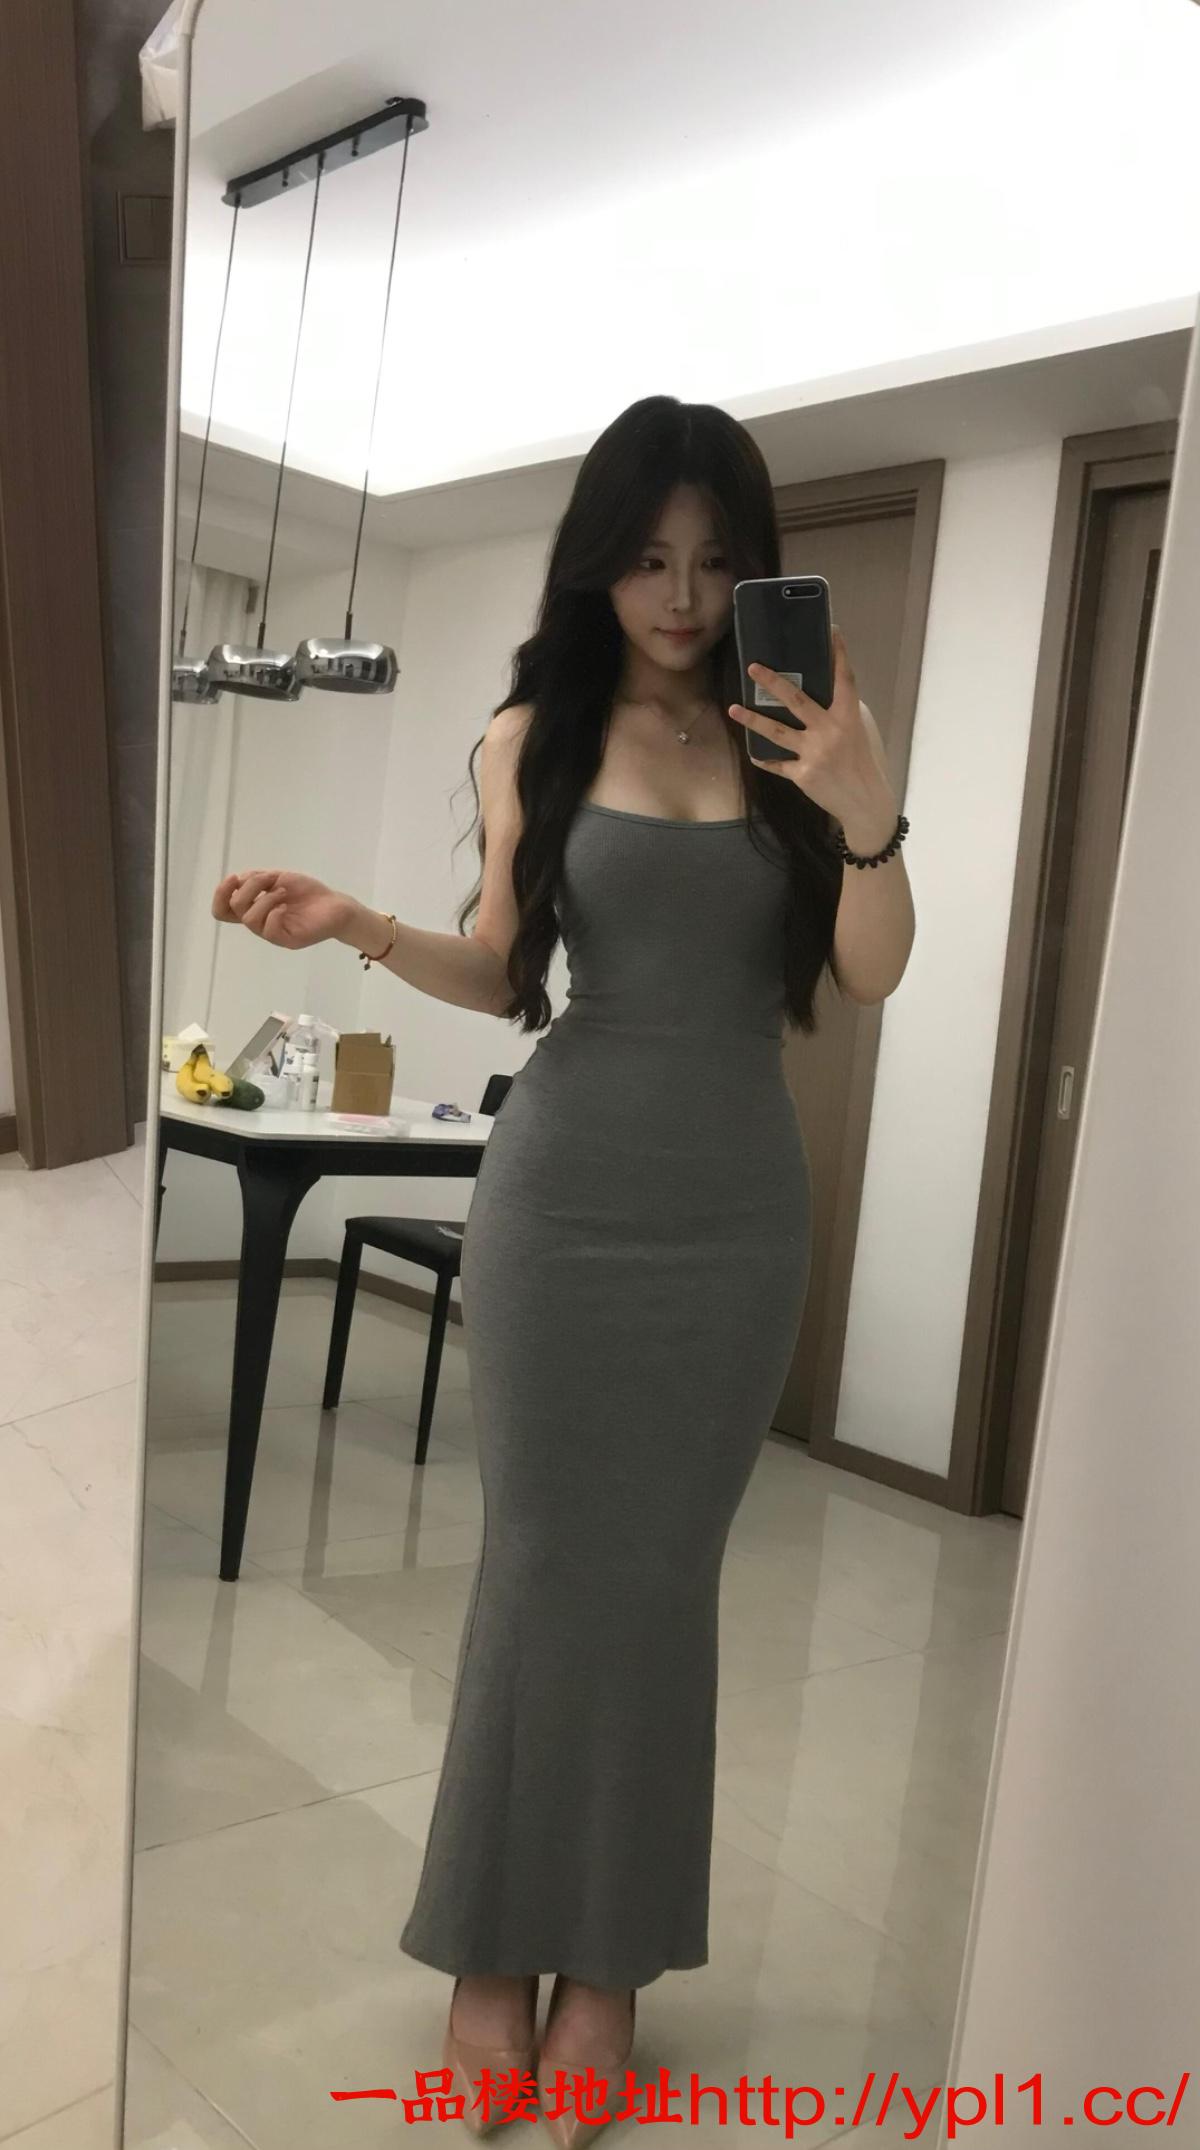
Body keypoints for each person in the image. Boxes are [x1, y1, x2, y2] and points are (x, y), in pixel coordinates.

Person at [213, 394, 914, 2143]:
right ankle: (490, 1945)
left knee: (661, 1587)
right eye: (646, 560)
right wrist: (361, 926)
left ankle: (607, 1963)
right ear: (599, 564)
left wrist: (868, 809)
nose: (679, 597)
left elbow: (873, 969)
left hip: (734, 1212)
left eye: (713, 562)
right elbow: (503, 968)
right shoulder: (534, 732)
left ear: (752, 568)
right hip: (563, 1199)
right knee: (537, 1568)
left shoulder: (808, 733)